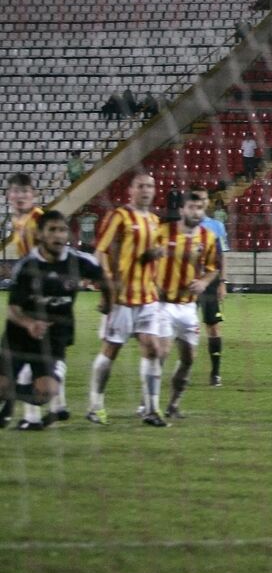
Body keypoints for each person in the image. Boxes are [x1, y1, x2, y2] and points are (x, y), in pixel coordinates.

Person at [2, 211, 112, 431]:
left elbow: (106, 280)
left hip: (54, 337)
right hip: (18, 338)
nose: (58, 235)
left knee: (46, 393)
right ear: (41, 235)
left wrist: (107, 302)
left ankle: (11, 395)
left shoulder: (79, 261)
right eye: (52, 230)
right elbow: (12, 309)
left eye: (62, 230)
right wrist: (29, 324)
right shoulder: (27, 266)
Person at [88, 172, 168, 427]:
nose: (146, 190)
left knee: (153, 348)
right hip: (122, 297)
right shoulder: (120, 216)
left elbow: (147, 255)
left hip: (148, 297)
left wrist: (156, 255)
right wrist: (106, 283)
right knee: (112, 349)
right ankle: (95, 405)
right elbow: (100, 251)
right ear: (131, 191)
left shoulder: (155, 221)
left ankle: (151, 409)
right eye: (141, 186)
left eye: (150, 186)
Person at [154, 189, 220, 419]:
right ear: (182, 210)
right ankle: (148, 406)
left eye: (199, 208)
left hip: (188, 306)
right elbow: (145, 257)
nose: (195, 211)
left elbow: (213, 268)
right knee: (161, 352)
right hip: (163, 305)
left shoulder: (208, 238)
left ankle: (173, 405)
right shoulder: (162, 231)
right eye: (191, 207)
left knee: (188, 359)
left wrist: (203, 282)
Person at [198, 198, 230, 387]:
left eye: (203, 200)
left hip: (210, 282)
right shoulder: (181, 227)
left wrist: (223, 283)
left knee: (214, 326)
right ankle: (184, 365)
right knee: (183, 327)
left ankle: (215, 373)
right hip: (187, 282)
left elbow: (222, 256)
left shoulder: (216, 226)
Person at [5, 172, 44, 258]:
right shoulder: (16, 220)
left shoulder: (39, 218)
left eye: (25, 191)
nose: (20, 195)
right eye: (15, 191)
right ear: (8, 194)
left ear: (33, 193)